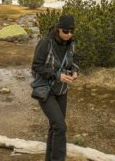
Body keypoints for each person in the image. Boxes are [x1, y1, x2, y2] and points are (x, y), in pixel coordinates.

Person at [31, 15, 79, 161]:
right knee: (60, 126)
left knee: (55, 126)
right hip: (45, 89)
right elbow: (36, 66)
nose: (69, 34)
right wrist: (57, 76)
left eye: (71, 31)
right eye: (66, 31)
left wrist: (75, 70)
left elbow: (75, 59)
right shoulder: (46, 42)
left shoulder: (71, 43)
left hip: (62, 90)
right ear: (58, 29)